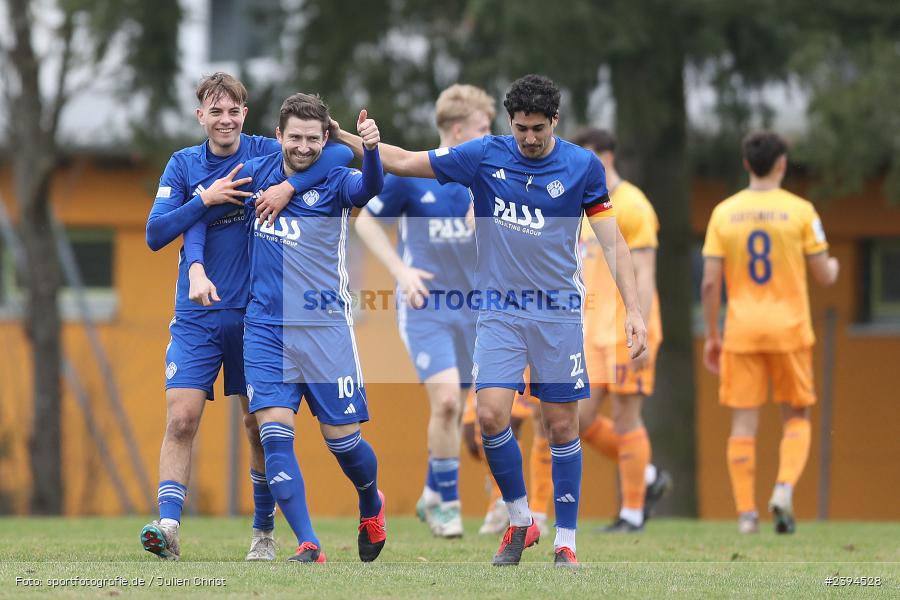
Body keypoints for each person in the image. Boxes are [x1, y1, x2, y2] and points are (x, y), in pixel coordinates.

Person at [333, 74, 647, 567]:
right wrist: (352, 140)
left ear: (555, 122)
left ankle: (566, 542)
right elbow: (407, 161)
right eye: (521, 128)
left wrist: (634, 310)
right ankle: (520, 520)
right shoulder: (484, 154)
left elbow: (613, 242)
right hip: (498, 311)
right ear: (510, 122)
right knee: (490, 416)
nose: (529, 138)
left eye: (538, 128)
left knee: (562, 425)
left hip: (558, 314)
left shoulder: (583, 167)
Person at [142, 73, 352, 561]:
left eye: (233, 110)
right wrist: (204, 200)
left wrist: (290, 187)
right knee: (181, 417)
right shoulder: (183, 165)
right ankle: (168, 526)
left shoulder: (266, 150)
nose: (225, 119)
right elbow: (156, 234)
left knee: (258, 427)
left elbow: (339, 155)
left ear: (245, 114)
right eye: (215, 111)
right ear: (200, 116)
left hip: (257, 316)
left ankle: (263, 534)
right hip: (197, 314)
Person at [184, 93, 386, 563]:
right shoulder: (258, 174)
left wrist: (371, 149)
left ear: (323, 139)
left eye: (312, 138)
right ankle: (308, 543)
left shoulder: (336, 178)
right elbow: (203, 210)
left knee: (345, 443)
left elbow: (370, 186)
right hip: (265, 329)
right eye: (294, 137)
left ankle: (371, 501)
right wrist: (194, 263)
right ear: (277, 137)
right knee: (273, 432)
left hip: (325, 328)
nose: (303, 147)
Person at [354, 84, 494, 538]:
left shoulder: (486, 177)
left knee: (473, 409)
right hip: (426, 308)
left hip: (476, 309)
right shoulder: (413, 175)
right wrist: (401, 272)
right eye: (484, 129)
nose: (492, 137)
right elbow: (367, 223)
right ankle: (448, 506)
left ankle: (433, 492)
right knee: (448, 400)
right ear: (459, 130)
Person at [701, 131, 839, 534]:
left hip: (742, 331)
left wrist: (713, 333)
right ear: (782, 164)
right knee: (797, 414)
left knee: (743, 426)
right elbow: (824, 273)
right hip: (790, 330)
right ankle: (782, 488)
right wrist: (834, 270)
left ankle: (746, 513)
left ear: (746, 164)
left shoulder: (723, 213)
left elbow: (710, 283)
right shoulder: (801, 211)